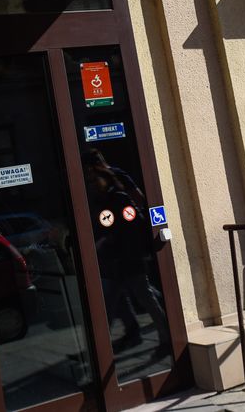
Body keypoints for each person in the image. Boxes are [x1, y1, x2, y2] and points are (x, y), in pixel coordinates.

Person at [81, 149, 170, 360]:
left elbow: (138, 201)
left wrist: (146, 230)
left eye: (89, 172)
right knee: (115, 296)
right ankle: (108, 346)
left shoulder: (113, 182)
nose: (88, 178)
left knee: (139, 293)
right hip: (117, 250)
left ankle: (166, 337)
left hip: (127, 248)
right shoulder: (109, 182)